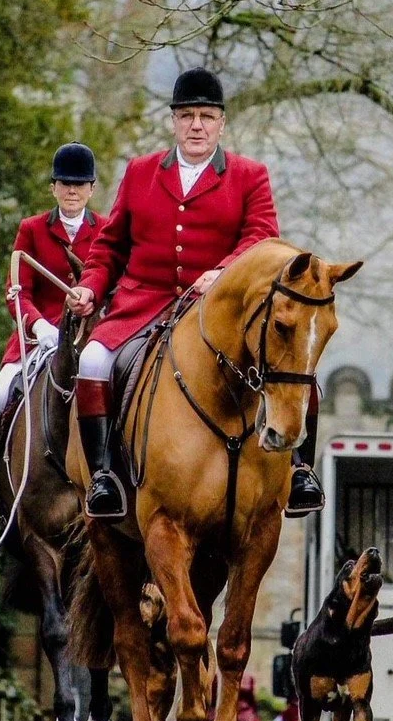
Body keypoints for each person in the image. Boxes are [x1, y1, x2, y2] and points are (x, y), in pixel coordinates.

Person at [66, 67, 325, 519]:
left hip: (218, 309)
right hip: (142, 302)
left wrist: (222, 272)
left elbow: (263, 239)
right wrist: (90, 287)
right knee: (92, 360)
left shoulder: (249, 175)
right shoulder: (141, 171)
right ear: (174, 121)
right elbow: (109, 245)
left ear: (221, 122)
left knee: (294, 362)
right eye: (187, 116)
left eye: (206, 116)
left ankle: (302, 470)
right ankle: (104, 476)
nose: (197, 126)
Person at [0, 143, 104, 524]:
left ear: (92, 189)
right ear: (53, 187)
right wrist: (39, 325)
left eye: (80, 184)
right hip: (38, 336)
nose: (72, 191)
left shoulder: (105, 231)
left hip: (92, 334)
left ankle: (112, 478)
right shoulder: (33, 229)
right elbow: (16, 290)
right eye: (65, 184)